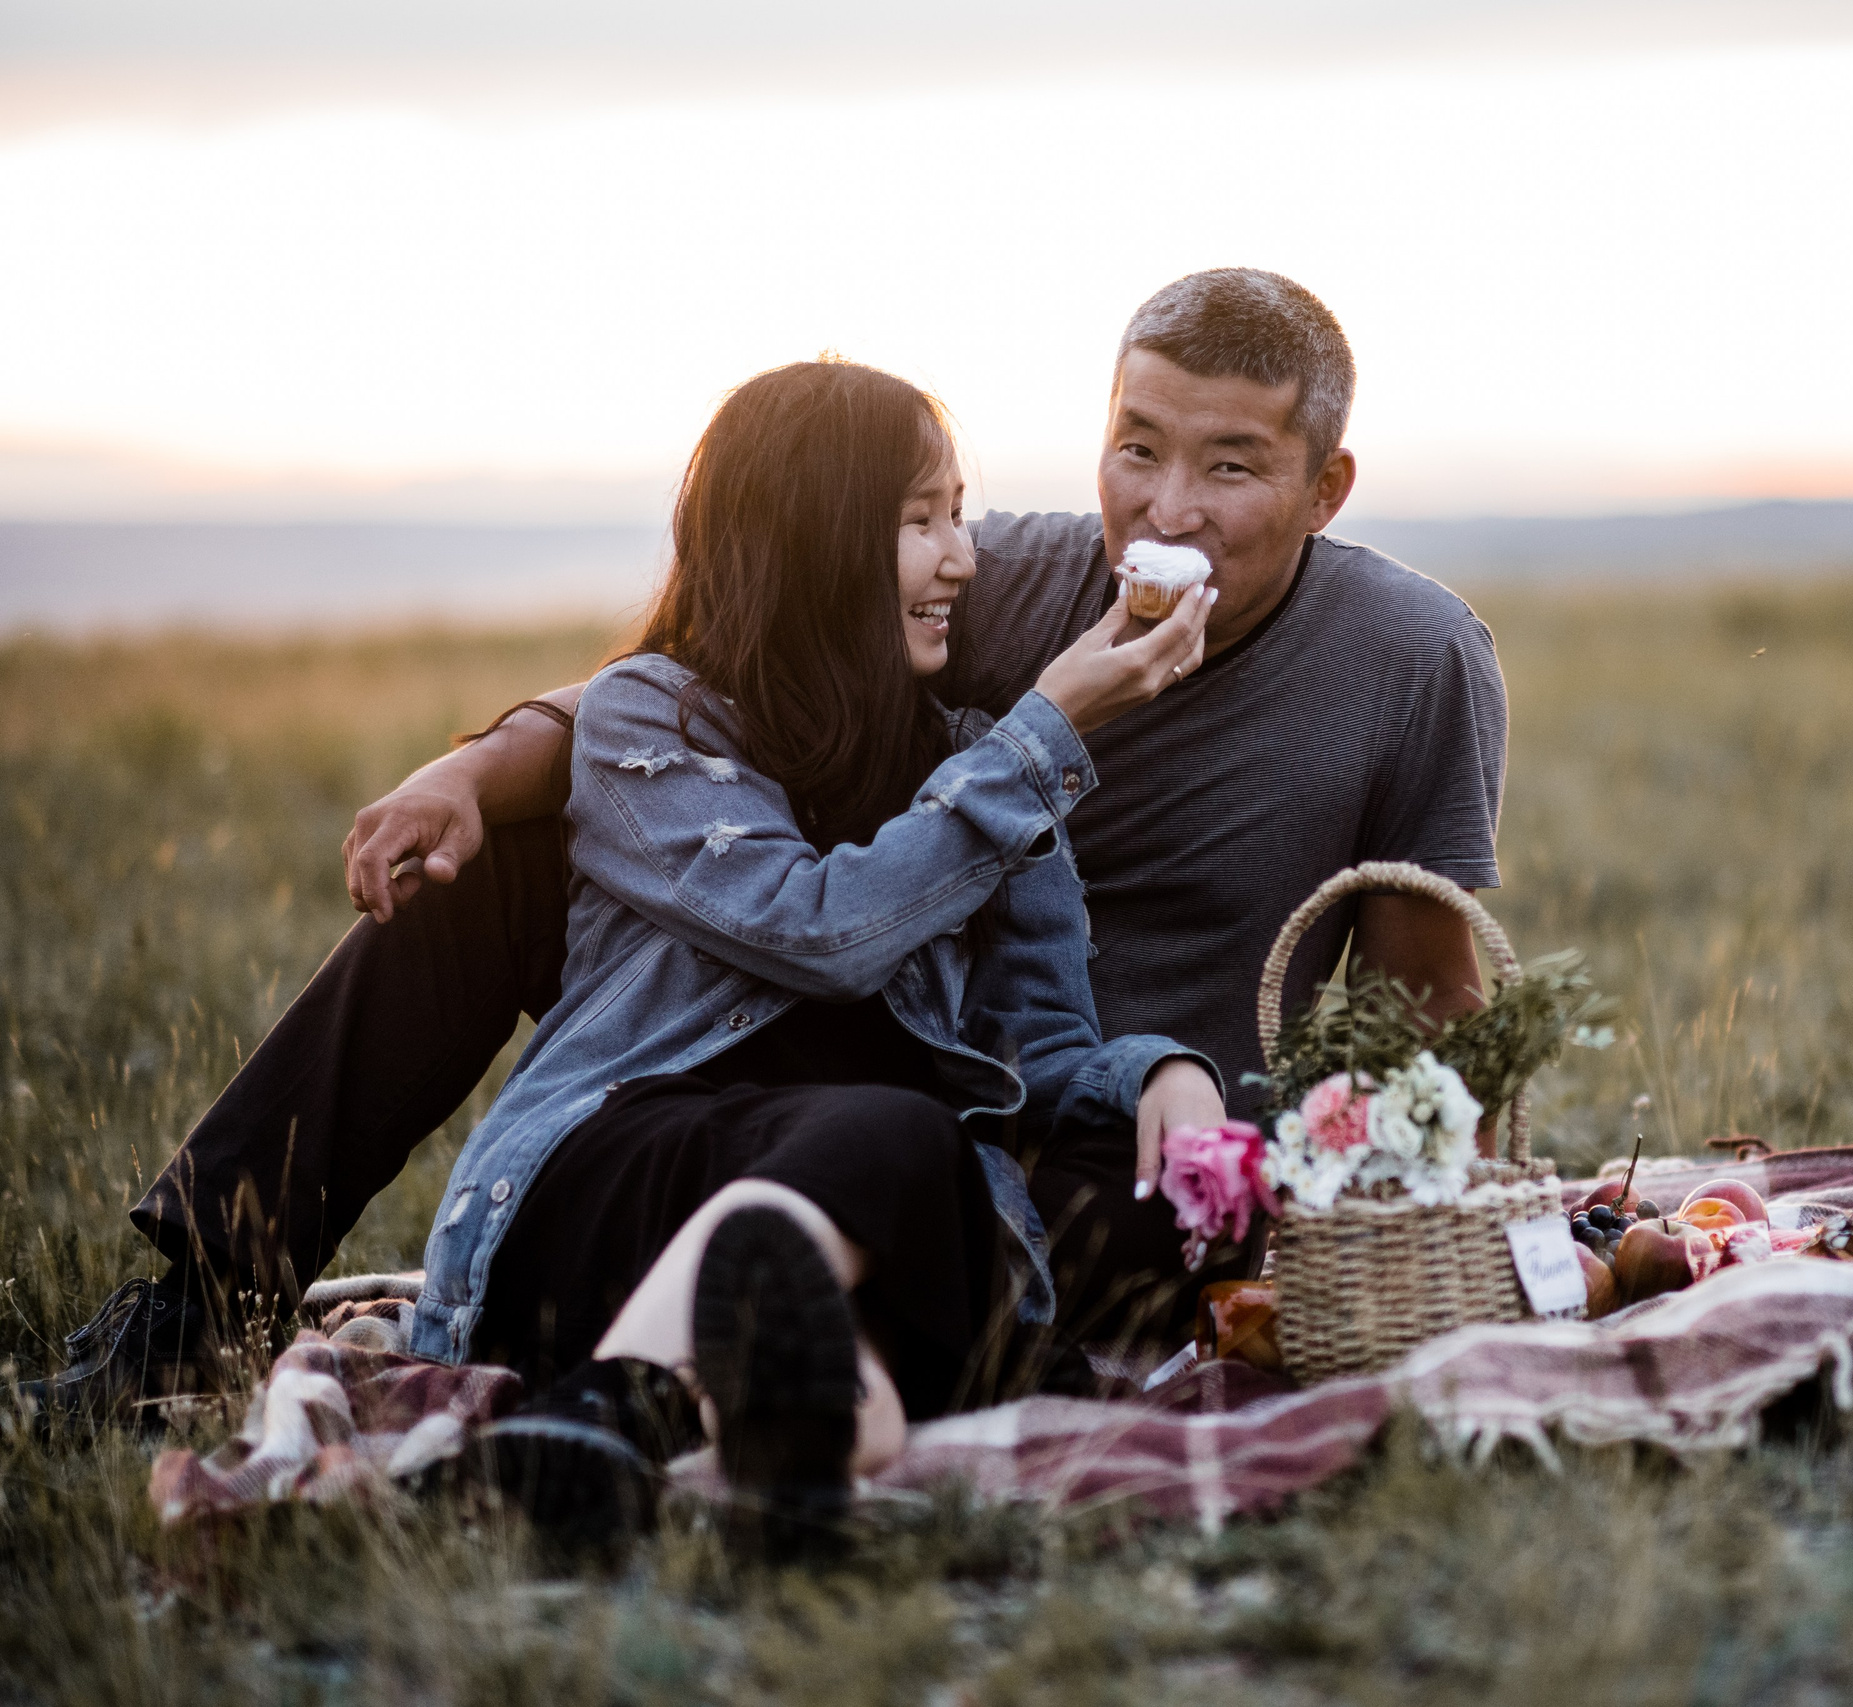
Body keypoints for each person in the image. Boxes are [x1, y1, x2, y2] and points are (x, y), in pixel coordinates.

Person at [25, 268, 1510, 1420]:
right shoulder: (1022, 581)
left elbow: (1427, 976)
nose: (1163, 508)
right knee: (509, 865)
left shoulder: (1415, 655)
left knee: (972, 1187)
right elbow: (713, 656)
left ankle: (739, 1381)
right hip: (877, 993)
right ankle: (205, 1285)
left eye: (1232, 469)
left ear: (1327, 486)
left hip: (1096, 1116)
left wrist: (1395, 1184)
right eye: (1137, 447)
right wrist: (479, 768)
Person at [424, 354, 1224, 1538]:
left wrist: (1157, 1067)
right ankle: (616, 1399)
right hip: (635, 1171)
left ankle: (788, 1461)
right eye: (919, 522)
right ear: (812, 540)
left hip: (878, 1210)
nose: (963, 557)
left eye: (958, 515)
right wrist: (1046, 732)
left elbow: (1043, 1046)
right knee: (891, 1130)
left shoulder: (979, 761)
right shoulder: (656, 718)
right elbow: (820, 932)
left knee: (935, 1198)